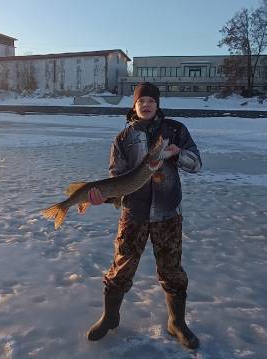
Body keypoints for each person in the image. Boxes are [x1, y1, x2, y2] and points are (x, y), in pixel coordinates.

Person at [85, 82, 202, 349]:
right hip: (133, 214)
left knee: (172, 270)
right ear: (134, 105)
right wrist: (101, 196)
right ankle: (110, 316)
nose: (146, 104)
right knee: (121, 267)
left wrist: (178, 153)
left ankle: (177, 322)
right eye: (141, 101)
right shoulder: (123, 139)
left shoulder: (175, 130)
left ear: (157, 104)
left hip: (168, 214)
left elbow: (197, 163)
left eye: (151, 100)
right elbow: (117, 180)